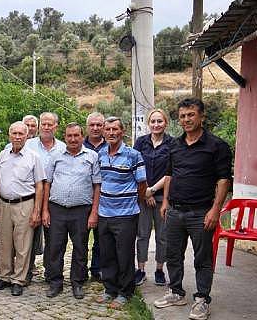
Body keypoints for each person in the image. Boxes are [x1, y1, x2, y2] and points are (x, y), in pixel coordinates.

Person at [153, 98, 232, 320]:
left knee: (203, 258)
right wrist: (166, 202)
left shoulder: (217, 146)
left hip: (201, 212)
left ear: (202, 117)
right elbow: (170, 175)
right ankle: (176, 292)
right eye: (182, 116)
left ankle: (202, 300)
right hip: (175, 211)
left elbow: (224, 180)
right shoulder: (174, 146)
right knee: (173, 254)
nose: (186, 120)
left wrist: (216, 210)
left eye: (191, 115)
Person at [43, 123, 101, 299]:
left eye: (76, 135)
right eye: (69, 136)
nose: (73, 139)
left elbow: (97, 185)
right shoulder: (55, 155)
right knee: (55, 247)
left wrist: (94, 212)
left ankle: (78, 282)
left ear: (82, 136)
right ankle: (55, 282)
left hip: (82, 210)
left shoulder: (92, 156)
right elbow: (47, 183)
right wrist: (44, 210)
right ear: (65, 137)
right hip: (57, 209)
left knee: (80, 248)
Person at [96, 116, 147, 309]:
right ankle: (110, 289)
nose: (111, 133)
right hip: (104, 213)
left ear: (122, 131)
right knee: (107, 254)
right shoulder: (100, 154)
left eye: (114, 129)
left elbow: (142, 184)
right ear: (104, 132)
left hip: (126, 215)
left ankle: (125, 292)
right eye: (107, 129)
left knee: (124, 255)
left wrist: (135, 203)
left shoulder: (134, 155)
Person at [0, 121, 45, 297]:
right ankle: (5, 276)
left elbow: (39, 185)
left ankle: (18, 280)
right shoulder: (3, 154)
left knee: (23, 244)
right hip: (4, 204)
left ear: (27, 135)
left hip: (25, 204)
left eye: (21, 134)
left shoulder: (33, 157)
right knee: (4, 243)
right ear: (9, 135)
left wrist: (37, 210)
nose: (17, 137)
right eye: (14, 133)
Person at [24, 112, 66, 283]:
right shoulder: (28, 145)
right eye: (44, 124)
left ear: (56, 126)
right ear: (40, 125)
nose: (46, 127)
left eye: (50, 124)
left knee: (53, 238)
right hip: (30, 197)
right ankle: (25, 273)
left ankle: (51, 273)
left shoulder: (63, 148)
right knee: (28, 238)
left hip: (53, 199)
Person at [133, 109, 173, 286]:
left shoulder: (172, 143)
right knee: (142, 235)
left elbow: (171, 171)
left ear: (166, 123)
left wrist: (153, 190)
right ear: (148, 124)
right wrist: (145, 191)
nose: (156, 125)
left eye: (160, 121)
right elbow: (135, 167)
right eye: (153, 121)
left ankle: (159, 269)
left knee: (162, 236)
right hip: (142, 196)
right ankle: (140, 270)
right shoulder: (141, 142)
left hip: (163, 197)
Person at [84, 112, 107, 282]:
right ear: (87, 127)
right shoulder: (78, 144)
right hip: (82, 199)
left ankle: (97, 269)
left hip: (106, 199)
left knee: (101, 238)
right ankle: (80, 271)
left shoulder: (111, 146)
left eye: (99, 125)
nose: (95, 128)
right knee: (80, 239)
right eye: (92, 124)